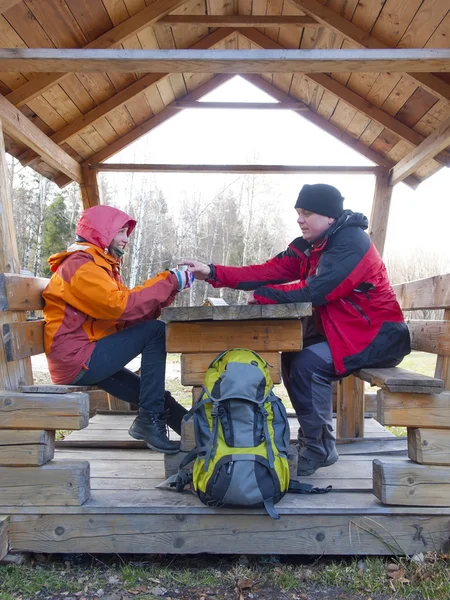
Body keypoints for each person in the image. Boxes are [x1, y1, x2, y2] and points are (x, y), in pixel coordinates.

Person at [183, 183, 411, 476]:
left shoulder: (351, 243)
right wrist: (212, 272)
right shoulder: (311, 245)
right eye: (298, 213)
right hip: (345, 332)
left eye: (307, 213)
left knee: (307, 364)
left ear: (329, 216)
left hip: (378, 337)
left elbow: (317, 291)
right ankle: (315, 442)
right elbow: (267, 271)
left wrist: (265, 295)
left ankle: (318, 449)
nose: (300, 219)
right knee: (292, 357)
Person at [43, 204, 193, 454]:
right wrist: (167, 280)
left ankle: (202, 435)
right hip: (77, 359)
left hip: (86, 355)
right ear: (102, 232)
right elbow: (120, 307)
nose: (126, 239)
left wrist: (171, 289)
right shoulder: (80, 267)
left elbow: (124, 318)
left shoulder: (100, 267)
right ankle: (150, 421)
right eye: (121, 232)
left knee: (153, 399)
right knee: (156, 332)